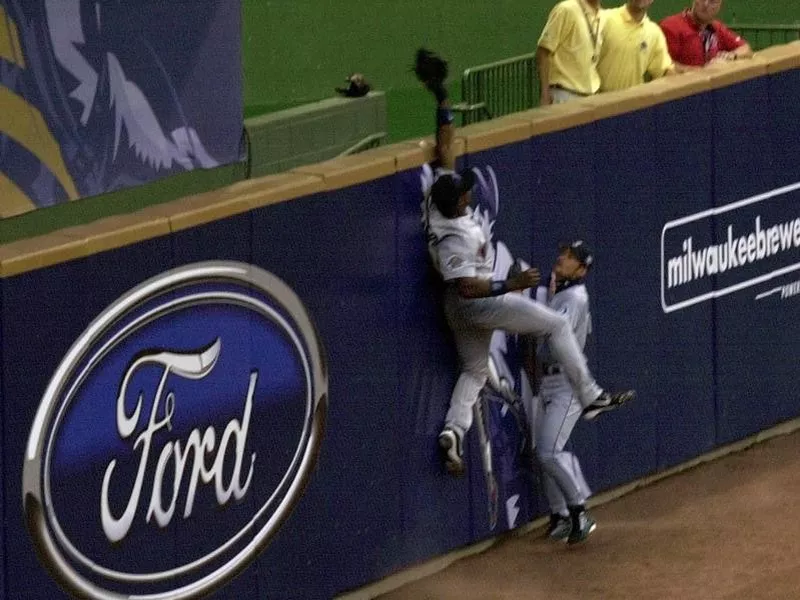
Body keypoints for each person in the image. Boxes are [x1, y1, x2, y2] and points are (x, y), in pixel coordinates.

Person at [412, 49, 635, 495]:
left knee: (474, 371)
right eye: (466, 198)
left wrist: (441, 98)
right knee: (554, 323)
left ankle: (452, 432)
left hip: (461, 312)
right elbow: (465, 285)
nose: (470, 200)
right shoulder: (450, 233)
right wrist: (509, 284)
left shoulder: (440, 193)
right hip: (476, 302)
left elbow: (445, 148)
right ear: (452, 204)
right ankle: (589, 395)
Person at [535, 241, 602, 545]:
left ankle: (579, 512)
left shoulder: (573, 298)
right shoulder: (563, 295)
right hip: (549, 383)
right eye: (564, 252)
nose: (563, 257)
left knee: (548, 452)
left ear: (582, 269)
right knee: (544, 454)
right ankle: (561, 515)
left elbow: (550, 335)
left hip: (567, 386)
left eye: (572, 258)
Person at [597, 0, 676, 92]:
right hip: (598, 102)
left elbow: (664, 72)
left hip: (634, 103)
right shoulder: (603, 18)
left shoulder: (654, 33)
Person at [536, 0, 605, 105]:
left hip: (591, 97)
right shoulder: (566, 9)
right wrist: (545, 94)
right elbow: (543, 52)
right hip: (564, 95)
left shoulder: (601, 15)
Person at [659, 0, 753, 69]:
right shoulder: (670, 26)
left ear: (720, 6)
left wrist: (731, 56)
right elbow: (665, 66)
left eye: (713, 1)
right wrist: (703, 72)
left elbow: (745, 48)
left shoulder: (717, 27)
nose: (705, 4)